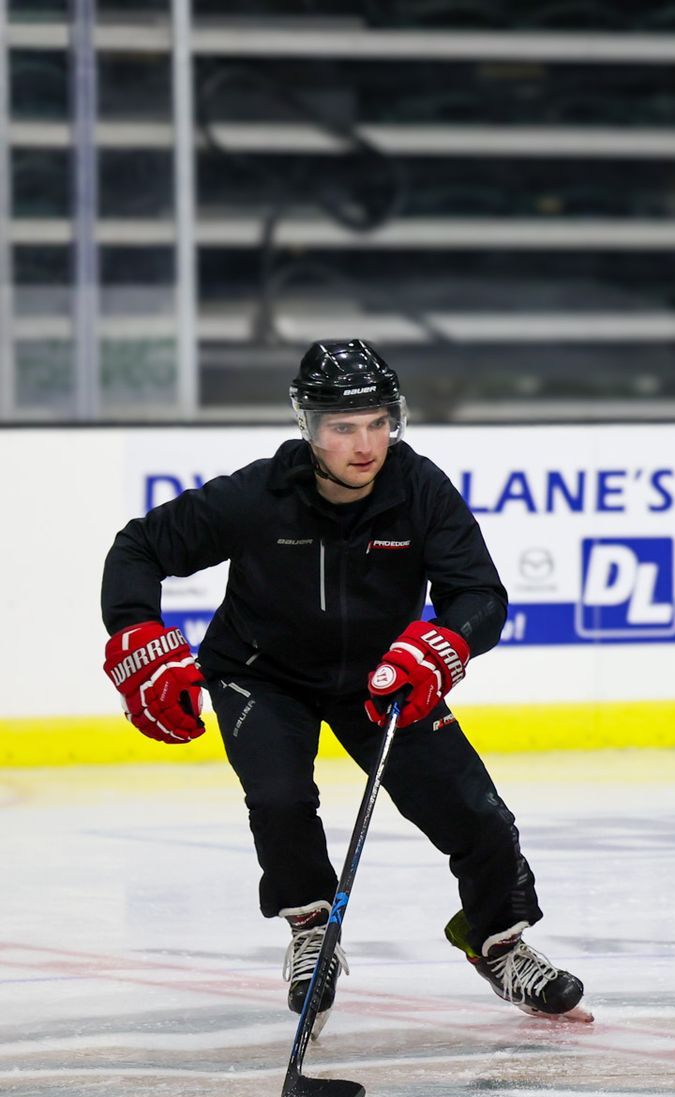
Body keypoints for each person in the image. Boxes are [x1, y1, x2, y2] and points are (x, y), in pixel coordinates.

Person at [100, 339, 587, 1030]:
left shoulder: (420, 490)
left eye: (378, 422)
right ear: (309, 430)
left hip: (382, 680)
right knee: (280, 797)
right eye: (343, 427)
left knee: (478, 814)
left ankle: (497, 941)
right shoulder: (258, 493)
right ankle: (310, 930)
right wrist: (136, 634)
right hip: (258, 674)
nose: (365, 444)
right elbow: (139, 546)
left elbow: (479, 593)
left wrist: (444, 644)